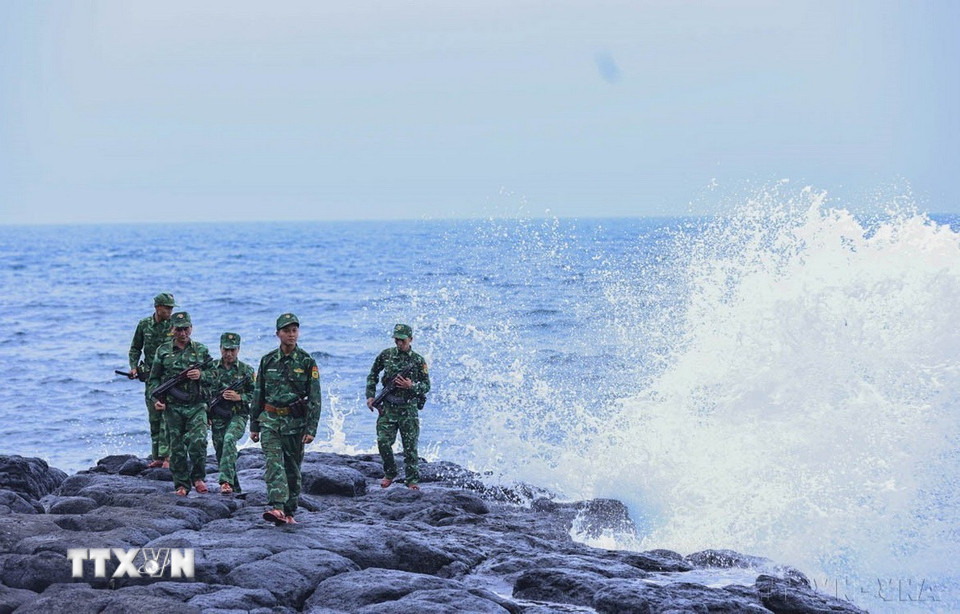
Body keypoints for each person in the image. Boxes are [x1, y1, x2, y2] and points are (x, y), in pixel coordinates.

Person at [250, 313, 322, 525]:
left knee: (292, 469)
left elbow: (315, 398)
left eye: (294, 330)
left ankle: (289, 512)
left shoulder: (307, 362)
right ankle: (277, 507)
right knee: (273, 464)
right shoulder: (268, 360)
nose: (291, 334)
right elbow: (258, 393)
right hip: (270, 420)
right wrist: (254, 425)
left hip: (295, 424)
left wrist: (311, 429)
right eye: (286, 331)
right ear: (278, 334)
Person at [147, 311, 213, 496]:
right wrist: (156, 400)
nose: (182, 333)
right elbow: (154, 380)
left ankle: (198, 478)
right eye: (178, 330)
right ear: (172, 330)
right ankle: (181, 484)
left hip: (197, 405)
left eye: (186, 329)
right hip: (173, 407)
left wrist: (201, 375)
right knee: (176, 447)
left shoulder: (201, 350)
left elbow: (215, 376)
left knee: (199, 442)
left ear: (191, 328)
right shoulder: (163, 351)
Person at [366, 323, 430, 490]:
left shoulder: (418, 360)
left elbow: (426, 386)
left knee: (410, 447)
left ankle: (412, 480)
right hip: (388, 407)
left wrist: (411, 386)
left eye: (402, 340)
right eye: (396, 340)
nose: (399, 343)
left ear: (410, 339)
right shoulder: (386, 355)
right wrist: (370, 395)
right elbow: (373, 374)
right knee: (383, 441)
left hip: (408, 409)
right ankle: (390, 472)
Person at [128, 292, 176, 468]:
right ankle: (157, 456)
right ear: (157, 308)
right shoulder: (144, 324)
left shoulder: (175, 325)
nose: (170, 311)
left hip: (170, 377)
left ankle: (168, 457)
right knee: (154, 416)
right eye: (167, 308)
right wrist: (134, 367)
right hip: (151, 376)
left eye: (171, 308)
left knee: (167, 416)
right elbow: (135, 348)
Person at [207, 332, 255, 495]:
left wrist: (239, 397)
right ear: (220, 348)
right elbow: (202, 393)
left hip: (238, 414)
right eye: (226, 350)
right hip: (217, 415)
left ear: (238, 350)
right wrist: (206, 414)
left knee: (229, 439)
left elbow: (257, 395)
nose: (229, 353)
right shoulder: (211, 368)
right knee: (221, 450)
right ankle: (235, 489)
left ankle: (225, 482)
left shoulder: (246, 371)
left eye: (232, 350)